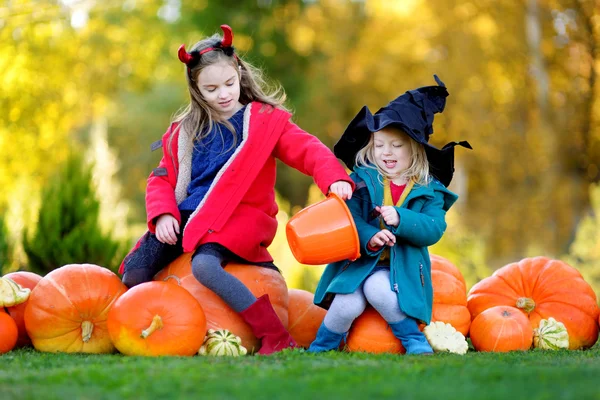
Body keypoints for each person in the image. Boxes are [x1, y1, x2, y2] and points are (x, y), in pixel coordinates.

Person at [118, 25, 354, 355]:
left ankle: (274, 334)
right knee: (135, 270)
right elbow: (161, 178)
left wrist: (334, 178)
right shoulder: (185, 132)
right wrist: (162, 215)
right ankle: (137, 331)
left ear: (239, 74)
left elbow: (308, 149)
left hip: (237, 215)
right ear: (197, 90)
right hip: (187, 215)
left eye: (229, 83)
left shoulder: (265, 122)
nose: (224, 93)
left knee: (203, 267)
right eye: (212, 88)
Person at [308, 76, 471, 355]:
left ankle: (413, 339)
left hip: (401, 267)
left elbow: (434, 228)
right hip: (359, 262)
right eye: (380, 144)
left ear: (414, 149)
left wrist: (402, 218)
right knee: (347, 303)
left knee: (378, 289)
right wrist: (370, 236)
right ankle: (322, 345)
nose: (387, 152)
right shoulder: (362, 180)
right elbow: (349, 218)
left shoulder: (428, 191)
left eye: (396, 145)